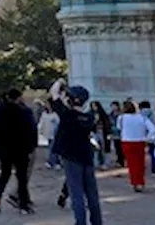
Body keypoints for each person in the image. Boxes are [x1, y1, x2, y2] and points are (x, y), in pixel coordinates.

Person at [49, 80, 102, 225]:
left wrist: (60, 82)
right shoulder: (89, 117)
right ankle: (97, 222)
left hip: (71, 157)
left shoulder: (67, 115)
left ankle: (80, 222)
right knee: (92, 194)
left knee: (76, 193)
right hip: (86, 156)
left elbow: (53, 92)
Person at [0, 88, 37, 214]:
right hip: (19, 149)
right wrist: (30, 147)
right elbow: (28, 131)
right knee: (21, 177)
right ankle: (23, 205)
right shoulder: (22, 112)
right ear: (17, 98)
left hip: (4, 149)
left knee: (5, 174)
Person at [117, 98, 155, 191]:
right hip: (140, 142)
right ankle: (140, 182)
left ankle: (135, 182)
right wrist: (148, 138)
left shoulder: (121, 118)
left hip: (126, 142)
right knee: (140, 163)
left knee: (131, 164)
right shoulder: (142, 117)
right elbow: (153, 129)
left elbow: (119, 128)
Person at [39, 102, 61, 168]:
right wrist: (40, 131)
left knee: (52, 148)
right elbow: (41, 122)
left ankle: (51, 162)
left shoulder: (55, 114)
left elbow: (58, 122)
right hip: (47, 133)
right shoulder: (44, 114)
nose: (46, 105)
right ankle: (56, 162)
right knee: (51, 148)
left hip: (54, 134)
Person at [90, 101, 110, 169]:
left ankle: (105, 163)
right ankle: (96, 163)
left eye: (95, 106)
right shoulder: (90, 114)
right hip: (94, 132)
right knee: (95, 148)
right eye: (92, 106)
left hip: (102, 132)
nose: (94, 108)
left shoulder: (103, 114)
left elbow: (107, 124)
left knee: (104, 148)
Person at [108, 102, 123, 167]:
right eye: (112, 106)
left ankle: (120, 161)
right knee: (116, 148)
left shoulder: (121, 114)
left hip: (121, 133)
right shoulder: (110, 115)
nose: (113, 107)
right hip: (114, 133)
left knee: (120, 148)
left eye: (114, 106)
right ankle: (118, 161)